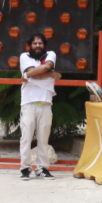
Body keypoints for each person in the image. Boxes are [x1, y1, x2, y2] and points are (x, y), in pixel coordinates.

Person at [19, 34, 61, 180]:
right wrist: (52, 74)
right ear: (29, 45)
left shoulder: (51, 54)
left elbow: (37, 71)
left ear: (44, 45)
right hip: (28, 103)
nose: (38, 46)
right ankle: (25, 168)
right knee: (26, 137)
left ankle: (42, 168)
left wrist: (33, 73)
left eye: (40, 43)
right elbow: (33, 74)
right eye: (35, 43)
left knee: (44, 138)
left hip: (45, 103)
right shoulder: (24, 56)